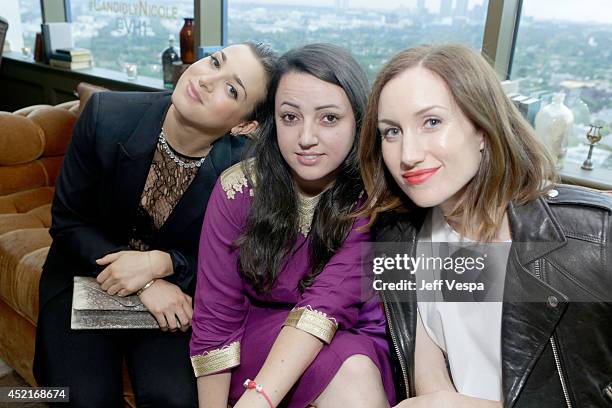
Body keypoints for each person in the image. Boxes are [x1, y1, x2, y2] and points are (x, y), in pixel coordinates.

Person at [357, 43, 612, 407]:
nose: (408, 154)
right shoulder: (397, 235)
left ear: (482, 128)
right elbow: (427, 373)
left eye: (432, 122)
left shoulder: (591, 239)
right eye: (391, 131)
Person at [34, 42, 277, 407]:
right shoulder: (106, 115)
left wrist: (165, 264)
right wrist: (145, 281)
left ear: (244, 124)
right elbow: (69, 223)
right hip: (85, 277)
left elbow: (236, 263)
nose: (208, 80)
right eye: (215, 62)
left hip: (173, 295)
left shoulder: (243, 172)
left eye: (232, 89)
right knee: (82, 398)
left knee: (175, 399)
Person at [189, 43, 396, 408]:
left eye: (329, 118)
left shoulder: (373, 197)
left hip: (350, 339)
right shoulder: (237, 189)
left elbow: (328, 301)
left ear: (359, 122)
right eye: (290, 117)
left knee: (353, 370)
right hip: (258, 344)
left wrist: (260, 399)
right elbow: (216, 315)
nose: (306, 138)